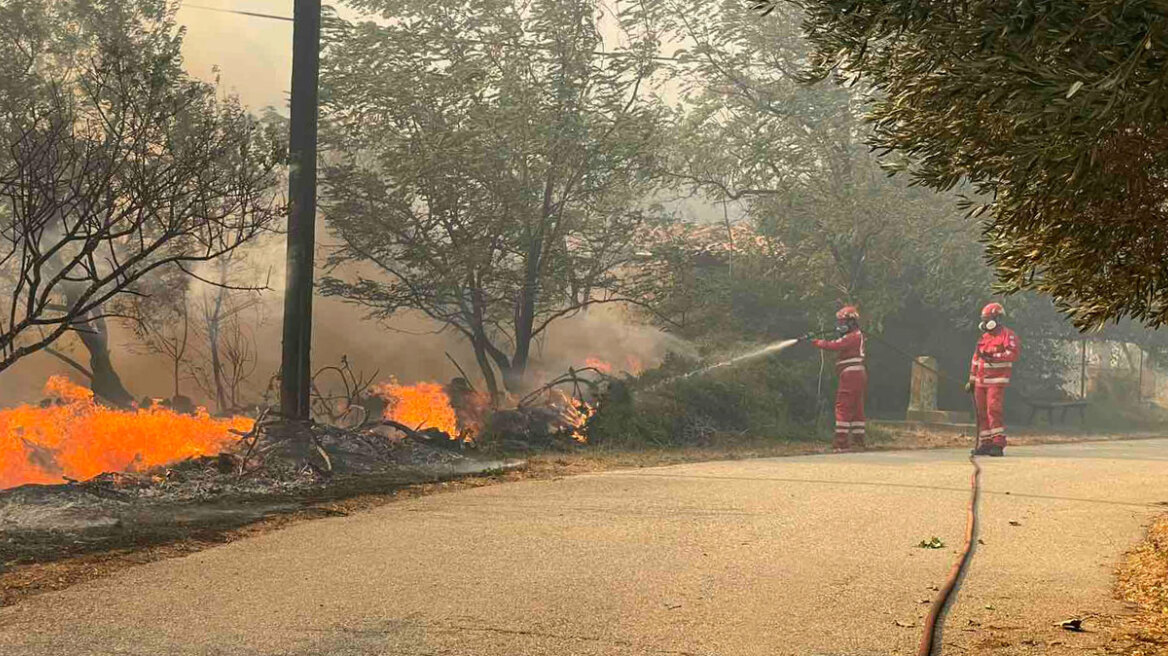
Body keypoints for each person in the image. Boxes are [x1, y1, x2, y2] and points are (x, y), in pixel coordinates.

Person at [806, 306, 867, 452]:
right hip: (858, 374)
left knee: (843, 407)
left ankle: (841, 443)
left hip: (850, 374)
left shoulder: (852, 337)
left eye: (842, 322)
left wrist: (816, 342)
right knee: (856, 407)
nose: (840, 325)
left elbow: (834, 345)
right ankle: (859, 442)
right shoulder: (858, 335)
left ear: (851, 322)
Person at [965, 302, 1020, 457]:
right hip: (980, 382)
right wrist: (971, 379)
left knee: (993, 410)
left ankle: (998, 443)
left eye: (988, 319)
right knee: (981, 412)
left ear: (996, 319)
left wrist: (994, 356)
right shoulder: (984, 338)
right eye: (984, 319)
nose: (985, 322)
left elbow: (1013, 354)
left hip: (996, 381)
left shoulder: (1007, 335)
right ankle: (986, 443)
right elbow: (975, 360)